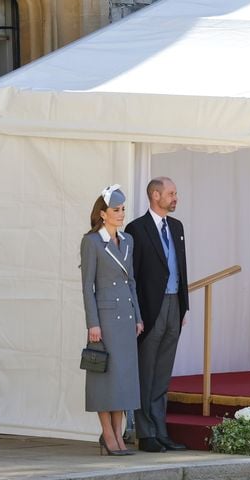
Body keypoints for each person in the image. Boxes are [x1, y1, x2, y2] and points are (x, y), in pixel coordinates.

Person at [124, 177, 189, 452]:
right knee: (146, 371)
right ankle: (146, 432)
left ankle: (161, 430)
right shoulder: (136, 229)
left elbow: (181, 267)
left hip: (175, 304)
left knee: (163, 372)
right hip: (151, 308)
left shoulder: (176, 227)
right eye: (171, 193)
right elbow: (132, 276)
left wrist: (184, 305)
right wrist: (136, 314)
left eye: (176, 193)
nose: (175, 198)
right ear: (155, 195)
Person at [80, 185, 144, 456]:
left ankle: (118, 436)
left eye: (122, 210)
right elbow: (87, 287)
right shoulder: (92, 241)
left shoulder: (127, 240)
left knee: (123, 380)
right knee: (105, 379)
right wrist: (92, 323)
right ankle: (108, 435)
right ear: (103, 214)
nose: (121, 214)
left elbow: (131, 283)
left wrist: (138, 317)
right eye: (116, 210)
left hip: (126, 320)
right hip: (104, 320)